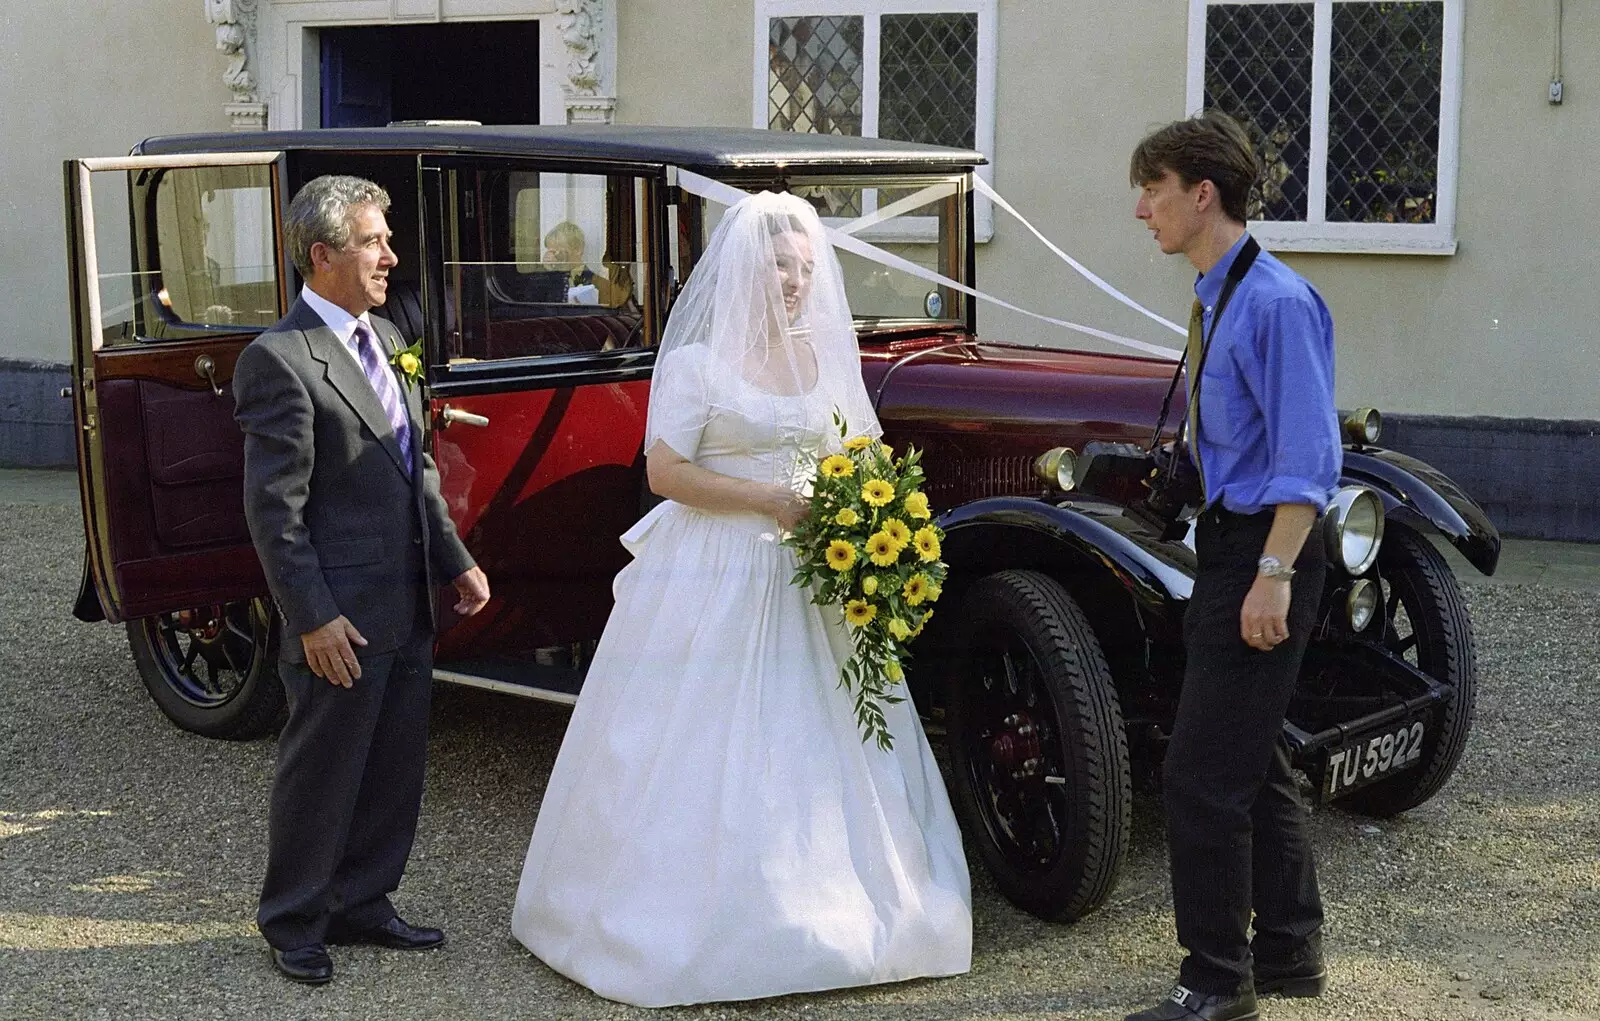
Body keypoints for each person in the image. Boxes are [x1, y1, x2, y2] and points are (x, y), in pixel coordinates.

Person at [510, 191, 971, 1007]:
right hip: (715, 568)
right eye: (778, 266)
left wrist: (872, 520)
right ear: (743, 271)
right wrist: (767, 500)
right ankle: (684, 918)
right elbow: (665, 472)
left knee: (821, 733)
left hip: (815, 576)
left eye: (804, 267)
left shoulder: (828, 358)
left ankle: (831, 901)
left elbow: (860, 455)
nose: (795, 280)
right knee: (703, 740)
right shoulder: (698, 363)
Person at [233, 174, 491, 985]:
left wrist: (457, 561)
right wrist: (312, 618)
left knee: (393, 764)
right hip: (339, 614)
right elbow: (275, 512)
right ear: (323, 254)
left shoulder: (384, 338)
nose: (391, 255)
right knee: (324, 770)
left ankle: (363, 901)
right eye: (374, 241)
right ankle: (295, 919)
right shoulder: (278, 359)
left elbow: (414, 474)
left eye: (386, 240)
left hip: (407, 602)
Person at [1125, 112, 1341, 1021]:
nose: (1142, 210)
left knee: (1200, 775)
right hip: (1234, 539)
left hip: (1270, 547)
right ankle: (1289, 952)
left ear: (1200, 193)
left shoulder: (1277, 302)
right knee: (1250, 759)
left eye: (1154, 188)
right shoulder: (1219, 291)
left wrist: (1274, 575)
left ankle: (1216, 982)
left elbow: (1309, 457)